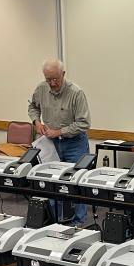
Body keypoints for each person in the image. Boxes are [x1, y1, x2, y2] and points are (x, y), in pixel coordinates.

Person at [28, 58, 91, 226]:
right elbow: (33, 107)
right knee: (53, 181)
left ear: (63, 74)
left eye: (55, 78)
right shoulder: (41, 89)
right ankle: (57, 221)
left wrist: (59, 132)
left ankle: (78, 223)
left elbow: (84, 123)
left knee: (77, 181)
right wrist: (37, 122)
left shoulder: (76, 93)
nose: (52, 83)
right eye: (48, 79)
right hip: (51, 144)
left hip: (74, 143)